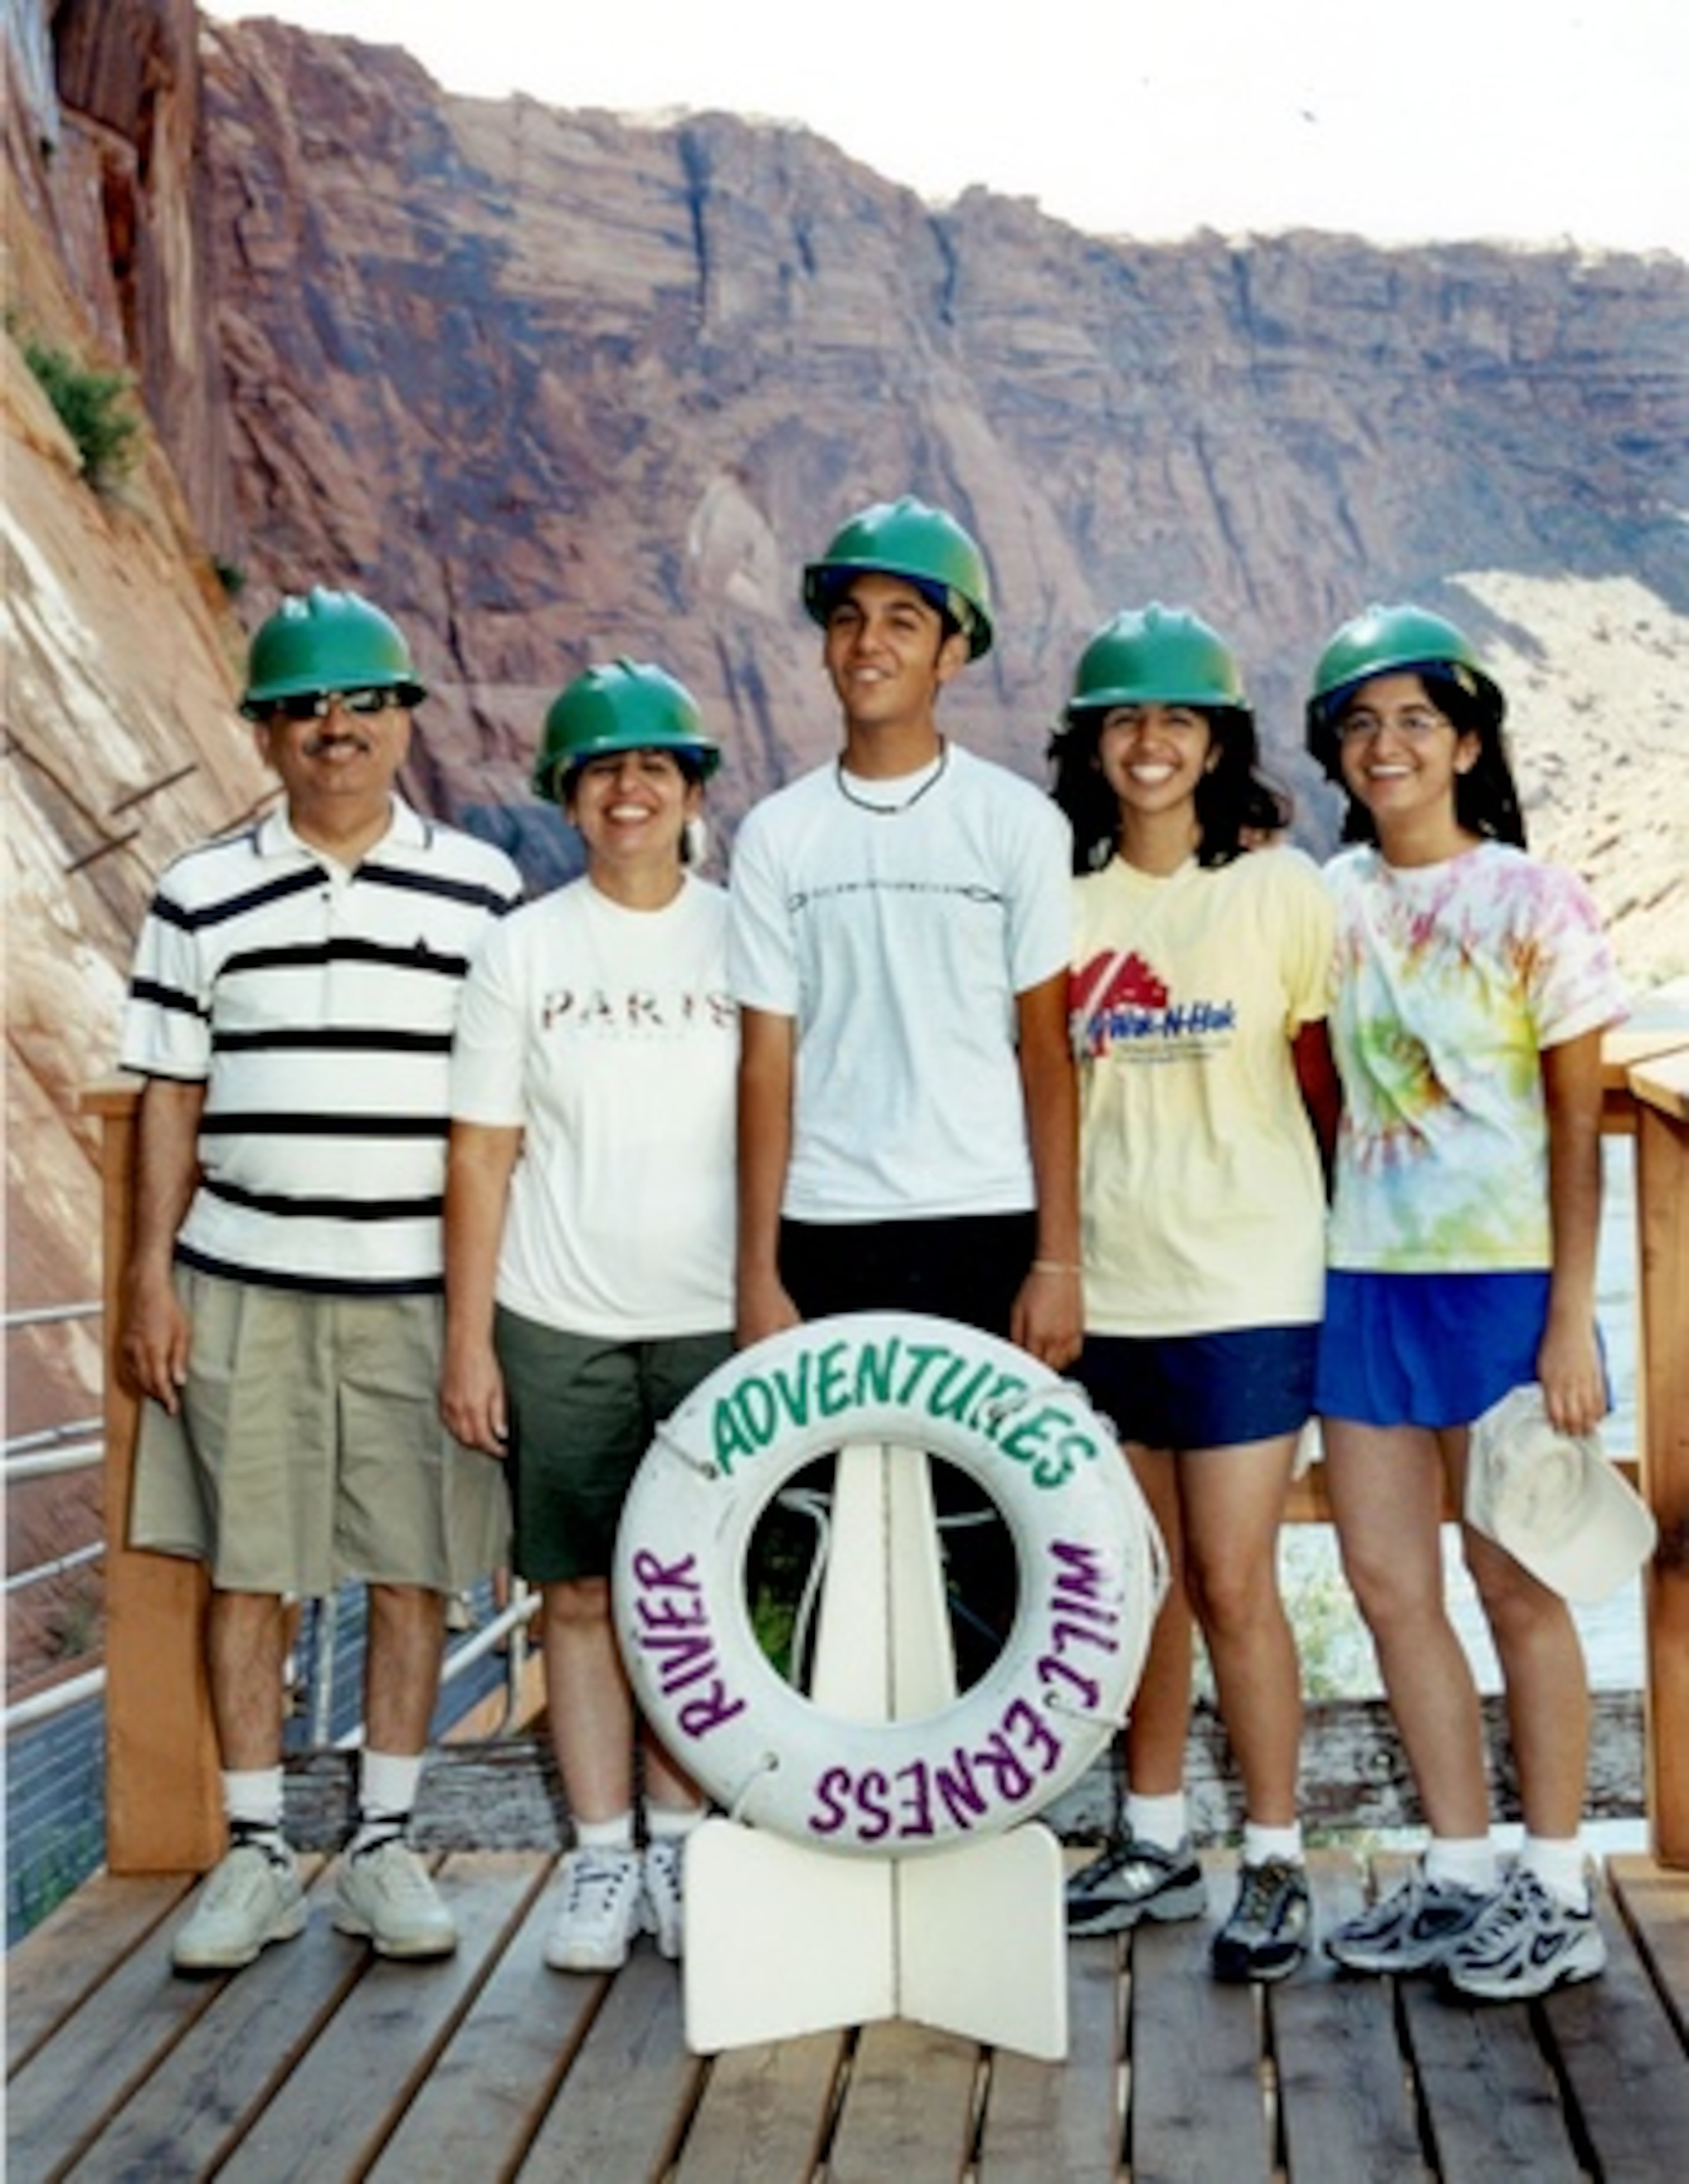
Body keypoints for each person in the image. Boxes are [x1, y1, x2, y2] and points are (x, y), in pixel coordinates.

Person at [120, 587, 522, 1974]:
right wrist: (146, 1282)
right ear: (264, 735)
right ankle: (253, 1854)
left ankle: (385, 1847)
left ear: (405, 717)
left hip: (421, 1287)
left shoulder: (481, 892)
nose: (332, 730)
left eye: (359, 703)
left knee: (413, 1567)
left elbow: (506, 1113)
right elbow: (171, 1096)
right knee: (254, 1571)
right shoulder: (199, 890)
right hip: (246, 1279)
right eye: (301, 709)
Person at [1305, 602, 1627, 2001]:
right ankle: (1456, 1871)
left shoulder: (1534, 900)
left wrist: (1568, 1317)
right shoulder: (1329, 899)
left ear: (1468, 742)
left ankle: (1556, 1893)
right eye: (1363, 726)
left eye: (1416, 723)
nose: (1388, 747)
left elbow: (1572, 1127)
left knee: (1518, 1581)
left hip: (1500, 1290)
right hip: (1363, 1281)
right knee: (1388, 1584)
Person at [728, 495, 1082, 1658]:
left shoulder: (1016, 824)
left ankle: (990, 1815)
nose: (869, 643)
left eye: (902, 621)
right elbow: (766, 1061)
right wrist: (757, 1271)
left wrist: (1057, 1260)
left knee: (989, 1537)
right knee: (826, 1531)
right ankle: (831, 1810)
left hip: (983, 1222)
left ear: (954, 651)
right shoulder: (777, 835)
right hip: (829, 1230)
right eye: (849, 620)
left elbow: (1047, 1055)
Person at [1050, 606, 1338, 1983]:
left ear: (1219, 743)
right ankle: (1154, 1838)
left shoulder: (1281, 892)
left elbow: (1336, 1086)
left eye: (1177, 719)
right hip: (1112, 1287)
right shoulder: (1064, 902)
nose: (1150, 742)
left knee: (1235, 1578)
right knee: (1142, 1583)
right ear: (1092, 746)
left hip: (1246, 1280)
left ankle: (1276, 1861)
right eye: (1124, 719)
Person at [440, 660, 735, 1973]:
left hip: (717, 1319)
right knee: (575, 1591)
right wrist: (467, 1340)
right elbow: (482, 1155)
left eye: (654, 768)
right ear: (569, 794)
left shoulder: (747, 937)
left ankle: (682, 1849)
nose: (629, 790)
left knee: (697, 1590)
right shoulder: (524, 946)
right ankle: (602, 1860)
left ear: (690, 792)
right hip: (556, 1315)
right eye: (604, 769)